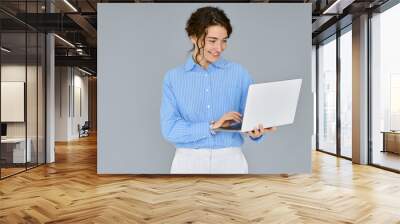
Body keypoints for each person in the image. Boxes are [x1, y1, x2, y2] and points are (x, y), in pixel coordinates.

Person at [160, 6, 276, 174]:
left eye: (224, 40)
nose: (219, 48)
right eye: (212, 41)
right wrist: (212, 126)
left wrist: (256, 130)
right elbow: (170, 130)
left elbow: (248, 119)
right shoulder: (173, 78)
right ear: (193, 37)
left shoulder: (239, 73)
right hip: (187, 162)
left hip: (231, 162)